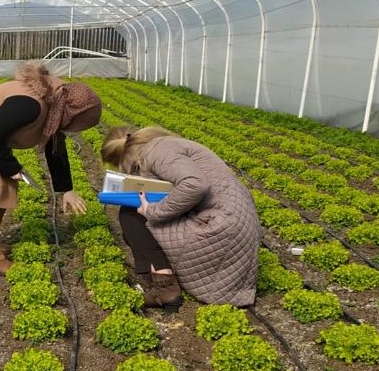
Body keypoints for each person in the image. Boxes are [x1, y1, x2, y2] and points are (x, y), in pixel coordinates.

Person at [0, 62, 102, 276]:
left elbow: (55, 148)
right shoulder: (31, 104)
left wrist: (68, 190)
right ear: (70, 113)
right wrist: (11, 167)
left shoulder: (55, 99)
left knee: (6, 186)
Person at [100, 125, 260, 310]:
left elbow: (194, 185)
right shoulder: (167, 145)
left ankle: (165, 288)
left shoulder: (155, 153)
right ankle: (171, 274)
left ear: (122, 160)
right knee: (143, 209)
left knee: (131, 214)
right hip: (237, 226)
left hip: (219, 228)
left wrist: (153, 211)